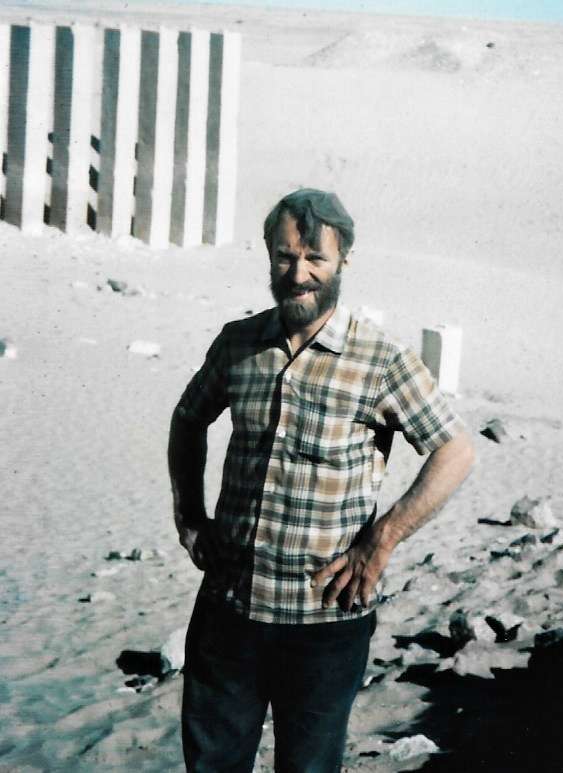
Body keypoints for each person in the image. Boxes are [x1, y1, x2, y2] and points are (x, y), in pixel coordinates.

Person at [168, 188, 475, 772]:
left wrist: (381, 540)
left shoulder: (381, 360)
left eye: (316, 259)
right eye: (285, 257)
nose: (298, 274)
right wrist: (188, 514)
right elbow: (188, 420)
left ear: (344, 261)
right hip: (229, 609)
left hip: (324, 622)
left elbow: (455, 451)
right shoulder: (238, 343)